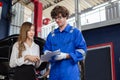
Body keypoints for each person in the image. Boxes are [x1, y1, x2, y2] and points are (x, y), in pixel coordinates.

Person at [43, 5, 87, 80]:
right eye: (55, 18)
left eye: (59, 17)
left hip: (70, 74)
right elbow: (46, 52)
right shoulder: (51, 35)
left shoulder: (75, 33)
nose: (57, 20)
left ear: (65, 16)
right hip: (54, 75)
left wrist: (66, 56)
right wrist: (48, 54)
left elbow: (83, 52)